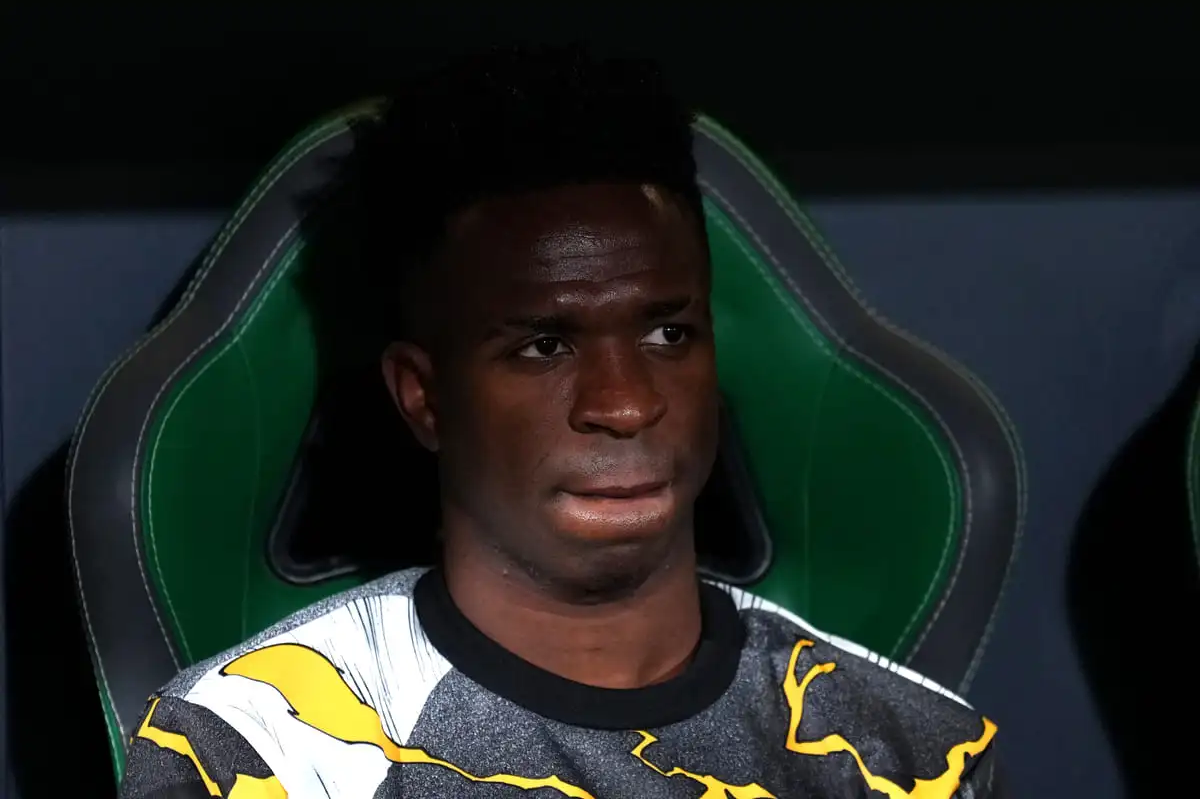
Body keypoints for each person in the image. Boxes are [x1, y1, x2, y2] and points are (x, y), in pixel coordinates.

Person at [119, 44, 1003, 799]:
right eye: (545, 346)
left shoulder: (915, 758)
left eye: (667, 333)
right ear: (424, 397)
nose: (626, 403)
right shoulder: (258, 751)